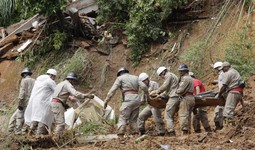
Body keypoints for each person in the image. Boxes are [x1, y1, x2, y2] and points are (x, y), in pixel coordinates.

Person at [104, 67, 148, 136]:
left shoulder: (120, 78)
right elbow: (144, 87)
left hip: (128, 99)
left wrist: (106, 101)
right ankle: (135, 134)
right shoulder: (136, 78)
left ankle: (121, 134)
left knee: (123, 118)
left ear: (120, 74)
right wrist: (147, 96)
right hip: (137, 100)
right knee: (133, 120)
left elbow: (112, 91)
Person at [51, 72, 94, 139]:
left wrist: (66, 102)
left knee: (58, 123)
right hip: (58, 104)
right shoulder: (68, 84)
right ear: (71, 79)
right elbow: (75, 93)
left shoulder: (60, 83)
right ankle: (55, 139)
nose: (74, 83)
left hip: (54, 103)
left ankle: (58, 138)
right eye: (74, 81)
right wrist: (85, 95)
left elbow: (58, 94)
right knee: (61, 124)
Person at [25, 69, 57, 136]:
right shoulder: (50, 81)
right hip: (44, 104)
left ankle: (29, 135)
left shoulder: (38, 80)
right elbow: (57, 91)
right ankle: (38, 136)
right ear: (52, 76)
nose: (54, 79)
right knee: (43, 120)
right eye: (54, 77)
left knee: (35, 118)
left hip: (35, 103)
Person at [152, 66, 179, 136]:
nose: (161, 77)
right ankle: (171, 130)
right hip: (176, 95)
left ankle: (171, 132)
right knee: (171, 115)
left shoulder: (168, 75)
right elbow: (169, 90)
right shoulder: (172, 75)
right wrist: (160, 95)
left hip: (174, 97)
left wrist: (157, 91)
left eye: (160, 75)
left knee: (167, 114)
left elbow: (165, 86)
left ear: (163, 72)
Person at [8, 68, 35, 135]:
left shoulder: (24, 81)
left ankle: (17, 131)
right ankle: (11, 130)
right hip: (32, 101)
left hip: (24, 101)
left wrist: (20, 103)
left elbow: (22, 93)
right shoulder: (34, 81)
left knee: (19, 116)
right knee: (17, 115)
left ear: (24, 74)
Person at [217, 62, 243, 126]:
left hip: (233, 92)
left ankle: (231, 128)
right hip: (239, 92)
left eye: (223, 69)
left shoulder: (228, 73)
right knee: (229, 111)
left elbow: (224, 86)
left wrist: (219, 94)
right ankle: (229, 127)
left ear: (226, 67)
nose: (222, 70)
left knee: (227, 113)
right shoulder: (235, 71)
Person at [176, 64, 195, 135]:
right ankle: (188, 130)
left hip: (186, 98)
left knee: (183, 114)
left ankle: (185, 131)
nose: (180, 73)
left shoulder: (185, 78)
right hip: (191, 97)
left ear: (185, 71)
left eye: (181, 71)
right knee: (188, 115)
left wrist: (176, 91)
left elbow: (180, 90)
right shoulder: (190, 78)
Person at [212, 61, 224, 130]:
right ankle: (219, 126)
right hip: (222, 95)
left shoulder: (222, 75)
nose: (215, 71)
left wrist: (219, 94)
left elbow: (223, 85)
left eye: (216, 69)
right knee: (218, 111)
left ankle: (221, 126)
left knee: (222, 111)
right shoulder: (221, 75)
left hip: (223, 95)